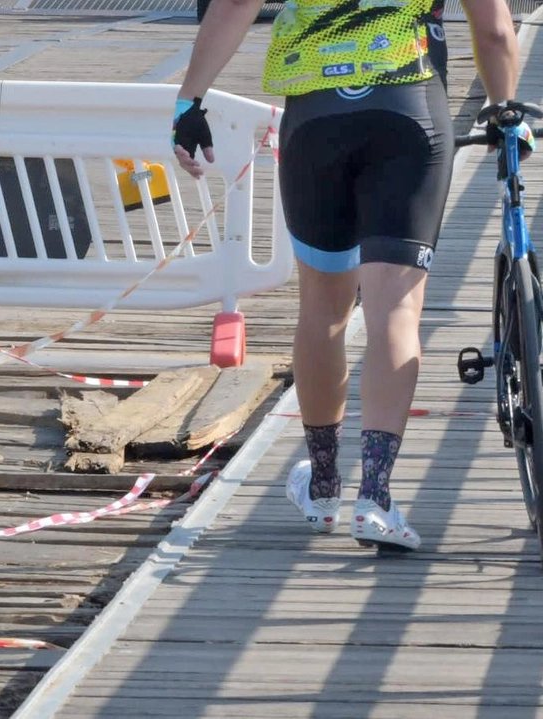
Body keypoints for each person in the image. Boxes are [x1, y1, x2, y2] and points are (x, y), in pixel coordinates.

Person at [172, 0, 531, 550]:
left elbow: (237, 4)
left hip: (316, 119)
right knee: (396, 308)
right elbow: (495, 29)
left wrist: (189, 101)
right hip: (407, 105)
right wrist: (505, 110)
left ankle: (321, 488)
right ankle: (377, 498)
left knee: (323, 310)